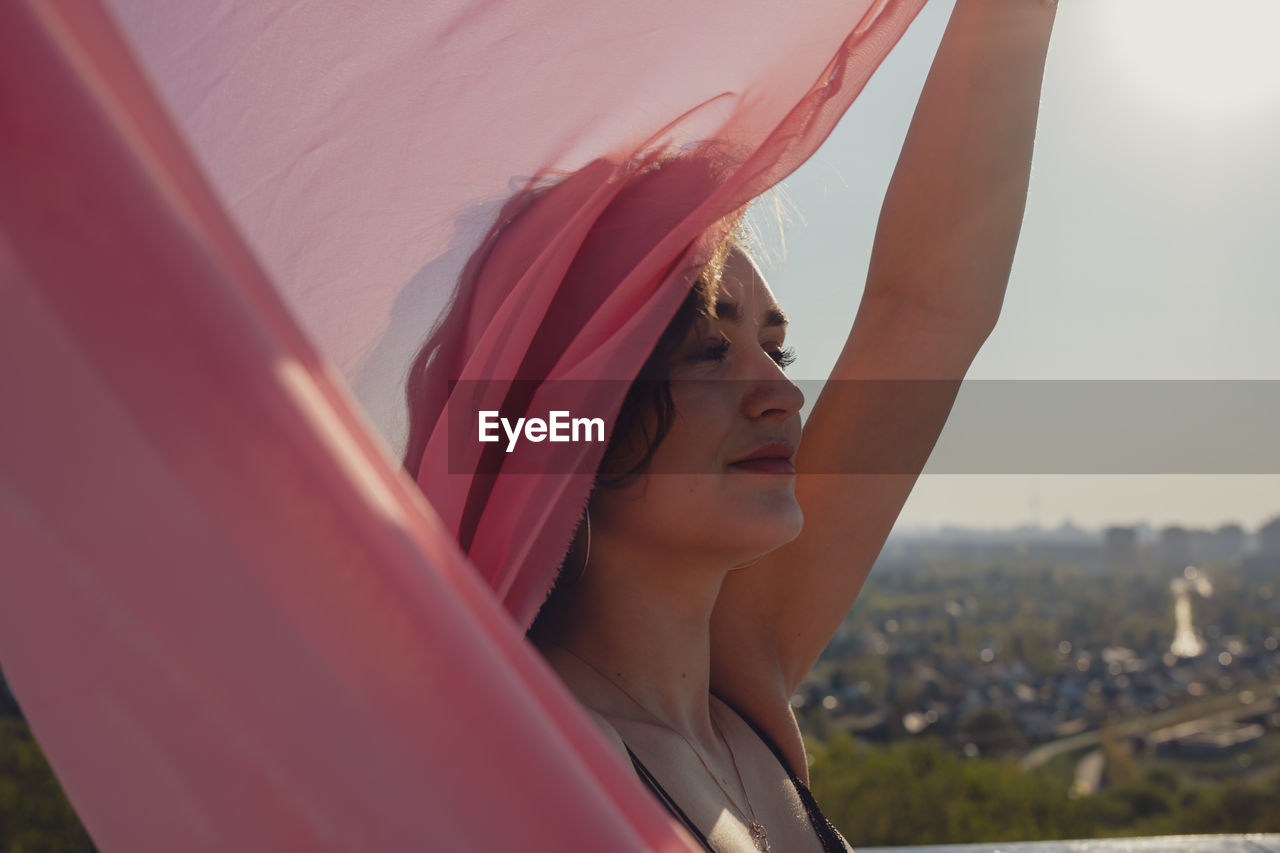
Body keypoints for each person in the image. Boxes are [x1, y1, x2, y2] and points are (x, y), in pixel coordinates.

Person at [423, 1, 1058, 850]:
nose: (782, 397)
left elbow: (927, 310)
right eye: (706, 353)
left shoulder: (735, 689)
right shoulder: (527, 756)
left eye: (777, 352)